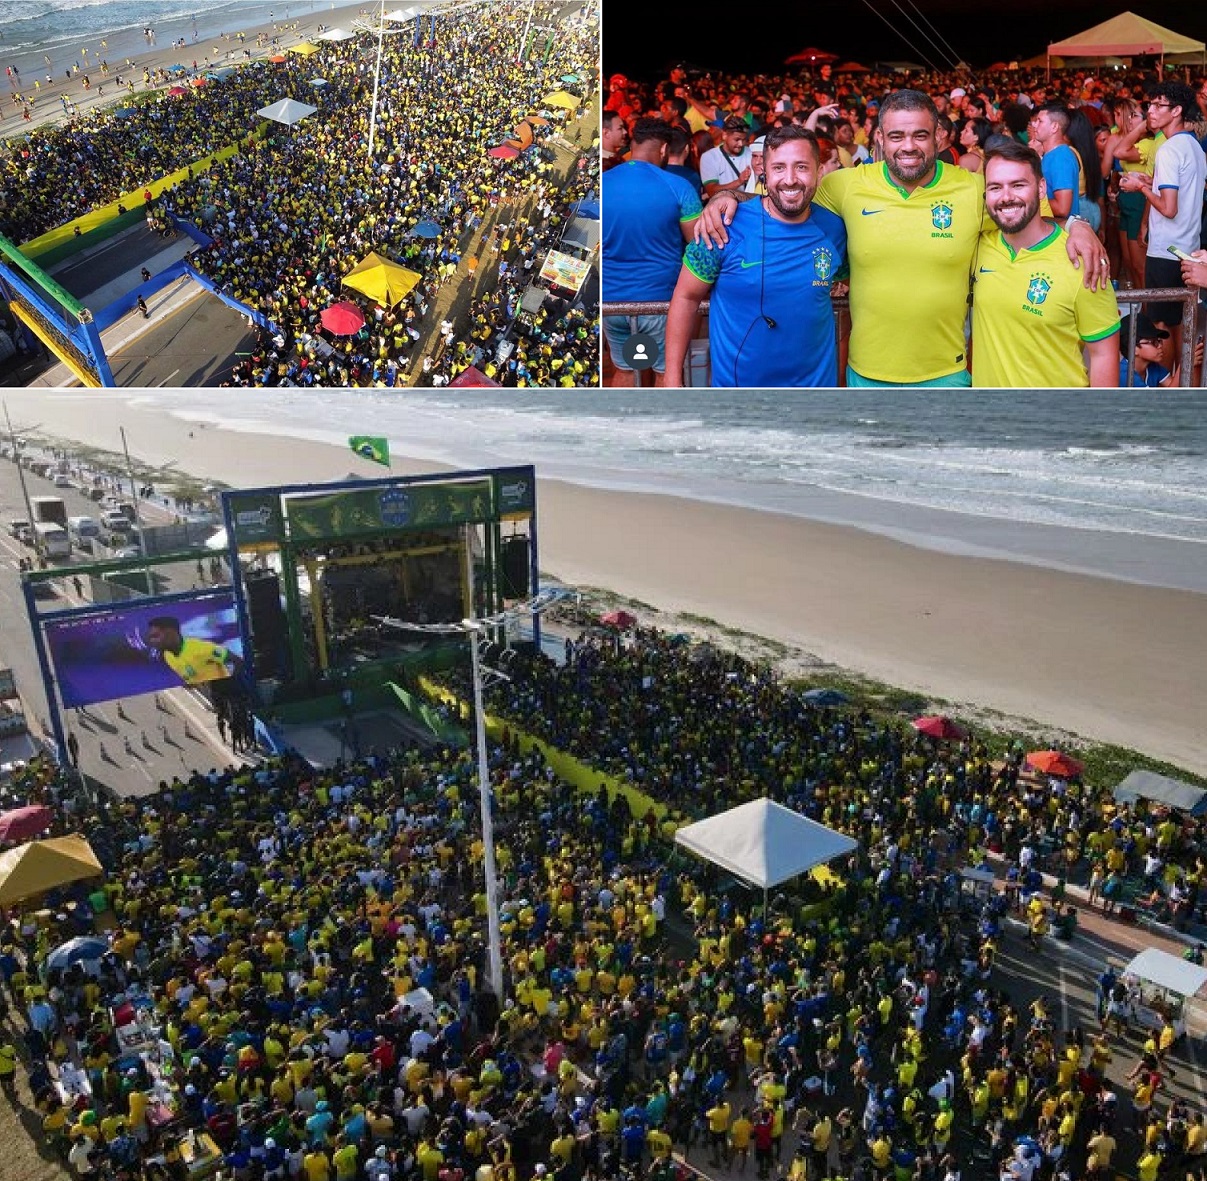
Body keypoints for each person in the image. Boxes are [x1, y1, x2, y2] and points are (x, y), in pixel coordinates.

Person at [696, 89, 1108, 387]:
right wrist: (728, 196)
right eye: (896, 136)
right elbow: (787, 196)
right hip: (866, 376)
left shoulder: (971, 188)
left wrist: (1077, 225)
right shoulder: (844, 186)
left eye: (919, 136)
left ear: (939, 137)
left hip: (947, 376)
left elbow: (1018, 209)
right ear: (878, 139)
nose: (908, 147)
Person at [664, 125, 846, 387]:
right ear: (764, 173)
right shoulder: (722, 225)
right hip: (739, 396)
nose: (790, 178)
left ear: (819, 173)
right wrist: (672, 378)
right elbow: (686, 297)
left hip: (814, 393)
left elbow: (856, 287)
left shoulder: (834, 229)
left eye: (802, 167)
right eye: (779, 168)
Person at [972, 141, 1119, 386]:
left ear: (1041, 188)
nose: (1006, 197)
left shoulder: (1084, 259)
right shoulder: (979, 247)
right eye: (995, 187)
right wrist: (1076, 223)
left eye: (1018, 185)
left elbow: (1103, 354)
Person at [601, 117, 701, 386]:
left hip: (612, 302)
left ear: (632, 145)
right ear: (665, 149)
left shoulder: (603, 183)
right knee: (664, 372)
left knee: (625, 369)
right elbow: (697, 244)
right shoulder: (679, 187)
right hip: (660, 301)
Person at [1120, 81, 1207, 353]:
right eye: (1150, 105)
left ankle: (1170, 385)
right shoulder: (1193, 146)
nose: (1151, 111)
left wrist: (1141, 187)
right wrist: (1153, 181)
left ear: (1177, 110)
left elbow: (1169, 209)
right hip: (1186, 247)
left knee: (1163, 329)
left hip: (1166, 249)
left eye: (1159, 106)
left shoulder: (1169, 150)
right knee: (1181, 323)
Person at [135, 615, 242, 685]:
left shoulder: (200, 648)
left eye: (155, 636)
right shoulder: (168, 656)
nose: (152, 641)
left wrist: (232, 684)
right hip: (215, 700)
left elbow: (235, 660)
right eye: (151, 638)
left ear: (170, 632)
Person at [700, 115, 753, 199]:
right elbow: (711, 191)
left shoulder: (752, 153)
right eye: (737, 139)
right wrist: (739, 182)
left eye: (744, 140)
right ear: (724, 135)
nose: (741, 144)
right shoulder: (709, 157)